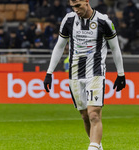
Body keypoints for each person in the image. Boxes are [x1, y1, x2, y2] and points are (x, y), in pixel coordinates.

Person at [43, 0, 126, 150]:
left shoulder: (103, 21)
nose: (76, 9)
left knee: (94, 114)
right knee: (84, 116)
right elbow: (60, 46)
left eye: (78, 5)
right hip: (74, 72)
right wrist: (49, 72)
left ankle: (92, 147)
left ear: (87, 1)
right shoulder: (68, 20)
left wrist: (121, 74)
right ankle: (97, 146)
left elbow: (115, 48)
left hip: (95, 71)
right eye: (73, 6)